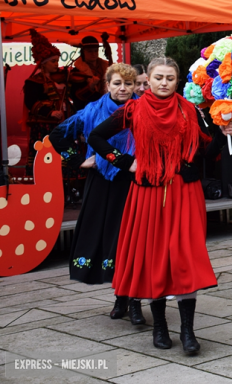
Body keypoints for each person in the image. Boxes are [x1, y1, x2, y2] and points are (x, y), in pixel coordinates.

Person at [89, 57, 232, 354]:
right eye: (158, 78)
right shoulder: (133, 109)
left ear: (177, 81)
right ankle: (159, 327)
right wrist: (126, 162)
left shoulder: (190, 110)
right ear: (149, 80)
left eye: (169, 77)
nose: (164, 82)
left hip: (184, 193)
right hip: (148, 193)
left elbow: (206, 152)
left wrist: (223, 133)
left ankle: (189, 332)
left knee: (185, 258)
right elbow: (97, 138)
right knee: (154, 259)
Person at [49, 63, 146, 325]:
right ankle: (120, 297)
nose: (123, 88)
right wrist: (78, 160)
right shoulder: (92, 110)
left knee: (132, 240)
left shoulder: (145, 109)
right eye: (117, 83)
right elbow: (58, 134)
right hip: (102, 182)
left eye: (128, 83)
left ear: (135, 85)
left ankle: (133, 300)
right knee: (108, 239)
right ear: (107, 85)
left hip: (134, 181)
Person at [23, 29, 76, 177]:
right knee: (43, 154)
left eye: (57, 61)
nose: (56, 64)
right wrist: (50, 112)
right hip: (43, 125)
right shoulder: (33, 82)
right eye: (53, 61)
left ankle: (66, 182)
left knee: (64, 153)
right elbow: (30, 102)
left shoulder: (60, 79)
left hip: (61, 124)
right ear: (43, 63)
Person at [71, 35, 113, 110]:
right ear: (83, 52)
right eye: (90, 51)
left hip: (106, 107)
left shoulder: (107, 67)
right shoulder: (76, 72)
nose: (94, 54)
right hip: (87, 110)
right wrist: (90, 86)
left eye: (96, 51)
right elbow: (76, 96)